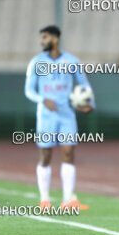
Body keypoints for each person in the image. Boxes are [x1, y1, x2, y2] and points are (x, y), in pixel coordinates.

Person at [25, 26, 94, 210]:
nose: (42, 41)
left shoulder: (72, 61)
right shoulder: (36, 62)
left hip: (66, 116)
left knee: (68, 154)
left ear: (55, 39)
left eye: (45, 37)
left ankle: (67, 200)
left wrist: (89, 104)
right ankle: (45, 199)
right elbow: (29, 90)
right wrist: (42, 99)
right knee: (45, 155)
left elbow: (84, 84)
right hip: (46, 117)